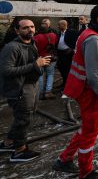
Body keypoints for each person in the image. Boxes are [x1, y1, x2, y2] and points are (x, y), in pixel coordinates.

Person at [53, 5, 98, 178]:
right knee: (90, 133)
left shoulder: (90, 34)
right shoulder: (93, 39)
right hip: (91, 93)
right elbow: (94, 75)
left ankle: (64, 159)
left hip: (87, 90)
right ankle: (86, 171)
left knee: (86, 127)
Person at [0, 19, 50, 162]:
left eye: (32, 27)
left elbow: (30, 64)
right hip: (20, 88)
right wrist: (35, 65)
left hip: (32, 85)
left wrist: (40, 63)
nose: (30, 30)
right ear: (17, 31)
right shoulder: (11, 47)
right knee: (23, 118)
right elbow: (6, 70)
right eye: (25, 28)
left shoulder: (31, 43)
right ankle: (19, 151)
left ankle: (9, 143)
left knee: (26, 115)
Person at [34, 18, 58, 100]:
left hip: (40, 59)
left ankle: (40, 93)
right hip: (51, 58)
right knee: (50, 74)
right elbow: (55, 45)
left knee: (40, 75)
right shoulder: (53, 35)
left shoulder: (36, 37)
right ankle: (48, 92)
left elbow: (34, 49)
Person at [56, 20, 78, 91]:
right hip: (60, 53)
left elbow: (77, 41)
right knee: (61, 69)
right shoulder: (59, 33)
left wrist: (72, 49)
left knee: (67, 70)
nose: (58, 26)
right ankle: (64, 83)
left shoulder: (72, 32)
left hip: (68, 54)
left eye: (59, 25)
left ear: (63, 25)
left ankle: (67, 85)